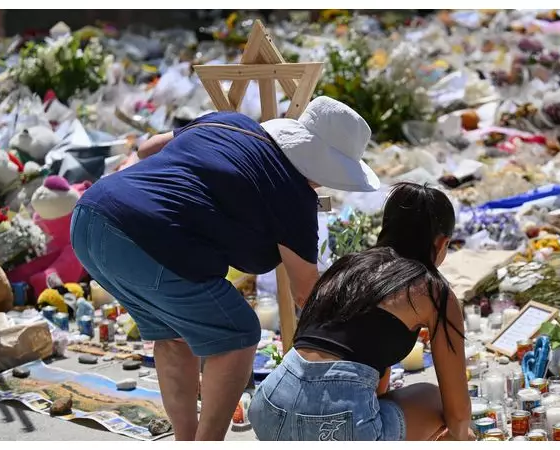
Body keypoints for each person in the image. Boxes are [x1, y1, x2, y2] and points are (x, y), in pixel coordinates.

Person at [70, 96, 379, 441]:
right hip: (146, 239)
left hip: (90, 218)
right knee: (239, 334)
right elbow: (307, 292)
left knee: (173, 337)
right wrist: (357, 342)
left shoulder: (229, 122)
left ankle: (186, 440)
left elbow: (147, 149)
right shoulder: (293, 194)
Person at [249, 183, 473, 441]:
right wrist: (459, 437)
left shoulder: (347, 267)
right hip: (338, 428)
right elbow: (457, 410)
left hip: (269, 407)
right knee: (431, 397)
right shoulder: (433, 291)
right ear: (442, 243)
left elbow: (370, 365)